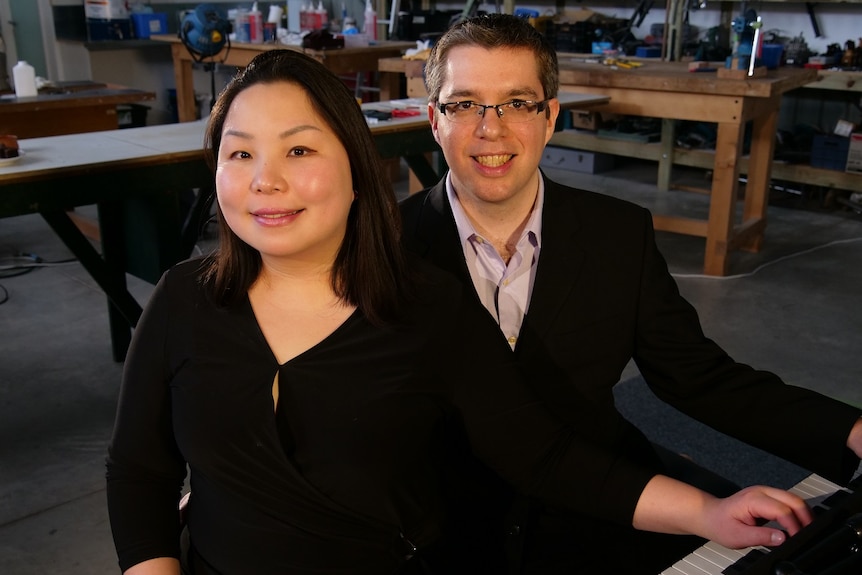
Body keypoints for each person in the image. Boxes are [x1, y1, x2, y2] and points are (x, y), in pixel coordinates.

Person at [106, 49, 828, 575]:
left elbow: (542, 453)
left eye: (299, 149)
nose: (265, 181)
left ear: (357, 168)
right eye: (239, 154)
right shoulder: (181, 299)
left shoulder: (423, 306)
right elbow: (139, 472)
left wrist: (708, 510)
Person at [399, 13, 862, 575]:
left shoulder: (618, 233)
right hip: (444, 518)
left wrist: (852, 430)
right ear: (433, 120)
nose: (489, 128)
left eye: (517, 103)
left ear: (550, 119)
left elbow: (698, 377)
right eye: (464, 104)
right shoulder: (383, 248)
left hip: (607, 498)